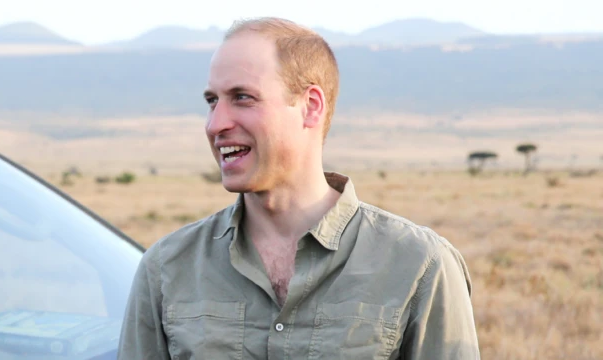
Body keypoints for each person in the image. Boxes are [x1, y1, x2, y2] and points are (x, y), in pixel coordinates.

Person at [117, 16, 480, 360]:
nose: (216, 124)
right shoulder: (167, 268)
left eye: (242, 97)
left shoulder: (419, 265)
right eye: (212, 101)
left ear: (310, 107)